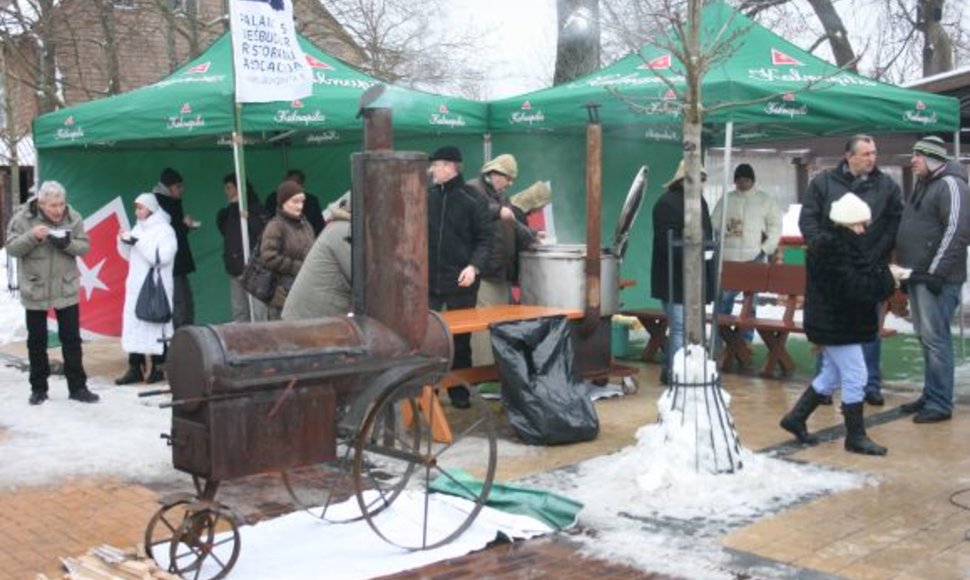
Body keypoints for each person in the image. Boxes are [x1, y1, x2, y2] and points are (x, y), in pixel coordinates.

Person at [780, 193, 896, 455]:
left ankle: (795, 418)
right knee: (857, 375)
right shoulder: (835, 248)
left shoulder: (835, 244)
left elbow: (858, 277)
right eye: (859, 224)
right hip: (837, 325)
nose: (863, 229)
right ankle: (855, 436)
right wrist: (888, 280)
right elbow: (854, 287)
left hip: (834, 322)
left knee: (831, 375)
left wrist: (884, 275)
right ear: (845, 224)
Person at [798, 135, 902, 407]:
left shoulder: (886, 185)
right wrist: (823, 247)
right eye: (866, 153)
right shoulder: (823, 182)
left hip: (870, 264)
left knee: (869, 326)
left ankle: (871, 385)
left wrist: (877, 251)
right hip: (834, 266)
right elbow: (808, 219)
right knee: (832, 327)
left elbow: (895, 221)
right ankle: (825, 392)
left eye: (874, 153)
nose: (872, 158)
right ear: (849, 156)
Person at [895, 136, 970, 424]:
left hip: (937, 279)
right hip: (918, 276)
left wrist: (936, 273)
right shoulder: (926, 183)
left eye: (917, 156)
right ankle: (931, 393)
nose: (912, 160)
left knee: (936, 340)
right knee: (926, 338)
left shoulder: (952, 185)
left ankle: (940, 403)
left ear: (931, 158)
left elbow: (955, 232)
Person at [5, 180, 100, 404]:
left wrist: (66, 244)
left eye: (61, 204)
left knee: (72, 340)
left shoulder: (73, 217)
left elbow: (84, 247)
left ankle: (78, 387)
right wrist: (32, 237)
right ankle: (38, 389)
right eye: (53, 205)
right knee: (37, 342)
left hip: (65, 287)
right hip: (35, 287)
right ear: (40, 203)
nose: (59, 210)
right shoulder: (23, 219)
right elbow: (11, 248)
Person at [427, 145, 493, 409]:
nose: (432, 170)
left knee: (460, 340)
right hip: (430, 281)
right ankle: (427, 391)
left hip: (461, 281)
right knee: (428, 337)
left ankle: (460, 391)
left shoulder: (473, 199)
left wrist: (474, 267)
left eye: (437, 164)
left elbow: (486, 240)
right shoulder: (426, 197)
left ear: (451, 167)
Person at [466, 154, 538, 367]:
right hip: (484, 271)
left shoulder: (500, 195)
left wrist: (533, 235)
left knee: (499, 322)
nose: (510, 184)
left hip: (500, 271)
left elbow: (512, 226)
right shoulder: (473, 189)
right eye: (509, 178)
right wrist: (498, 210)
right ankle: (482, 370)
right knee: (484, 323)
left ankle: (495, 368)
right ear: (496, 174)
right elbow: (473, 213)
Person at [650, 161, 716, 384]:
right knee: (679, 326)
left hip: (694, 276)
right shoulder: (666, 204)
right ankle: (676, 373)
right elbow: (665, 243)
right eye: (700, 178)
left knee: (686, 326)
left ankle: (671, 369)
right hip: (674, 276)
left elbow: (707, 233)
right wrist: (693, 253)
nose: (703, 183)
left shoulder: (700, 202)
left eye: (704, 178)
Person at [711, 163, 782, 343]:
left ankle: (746, 340)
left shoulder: (765, 200)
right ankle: (719, 338)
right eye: (739, 180)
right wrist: (726, 227)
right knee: (724, 299)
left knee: (750, 301)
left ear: (752, 180)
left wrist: (766, 249)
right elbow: (714, 222)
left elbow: (776, 227)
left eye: (746, 180)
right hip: (729, 257)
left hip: (755, 256)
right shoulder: (726, 199)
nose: (742, 183)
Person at [114, 194, 177, 385]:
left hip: (155, 287)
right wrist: (123, 241)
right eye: (136, 208)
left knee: (155, 326)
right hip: (135, 285)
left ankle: (158, 367)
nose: (137, 212)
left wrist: (137, 242)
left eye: (141, 208)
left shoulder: (165, 231)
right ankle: (135, 367)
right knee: (134, 326)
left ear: (150, 208)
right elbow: (129, 256)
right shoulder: (138, 228)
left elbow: (161, 258)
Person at [282, 192, 352, 320]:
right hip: (309, 319)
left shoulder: (337, 227)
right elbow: (362, 279)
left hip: (307, 316)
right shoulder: (344, 231)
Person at [259, 180, 315, 319]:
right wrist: (298, 267)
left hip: (304, 290)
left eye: (302, 201)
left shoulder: (306, 225)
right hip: (282, 295)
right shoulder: (275, 226)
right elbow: (268, 257)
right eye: (294, 202)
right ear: (283, 202)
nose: (299, 206)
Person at [217, 173, 269, 323]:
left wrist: (250, 218)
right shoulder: (227, 213)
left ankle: (263, 344)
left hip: (254, 268)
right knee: (240, 312)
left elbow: (265, 233)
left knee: (259, 312)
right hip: (235, 269)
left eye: (229, 187)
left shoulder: (257, 209)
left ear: (239, 188)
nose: (226, 191)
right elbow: (226, 232)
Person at [152, 167, 197, 329]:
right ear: (168, 187)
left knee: (187, 302)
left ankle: (188, 340)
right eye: (178, 187)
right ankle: (181, 343)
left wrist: (183, 226)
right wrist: (184, 225)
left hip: (177, 263)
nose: (181, 190)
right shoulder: (160, 204)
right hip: (171, 264)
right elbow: (168, 234)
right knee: (180, 304)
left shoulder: (169, 202)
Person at [263, 169, 325, 236]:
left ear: (302, 186)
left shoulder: (311, 201)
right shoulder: (273, 198)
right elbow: (268, 221)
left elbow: (319, 226)